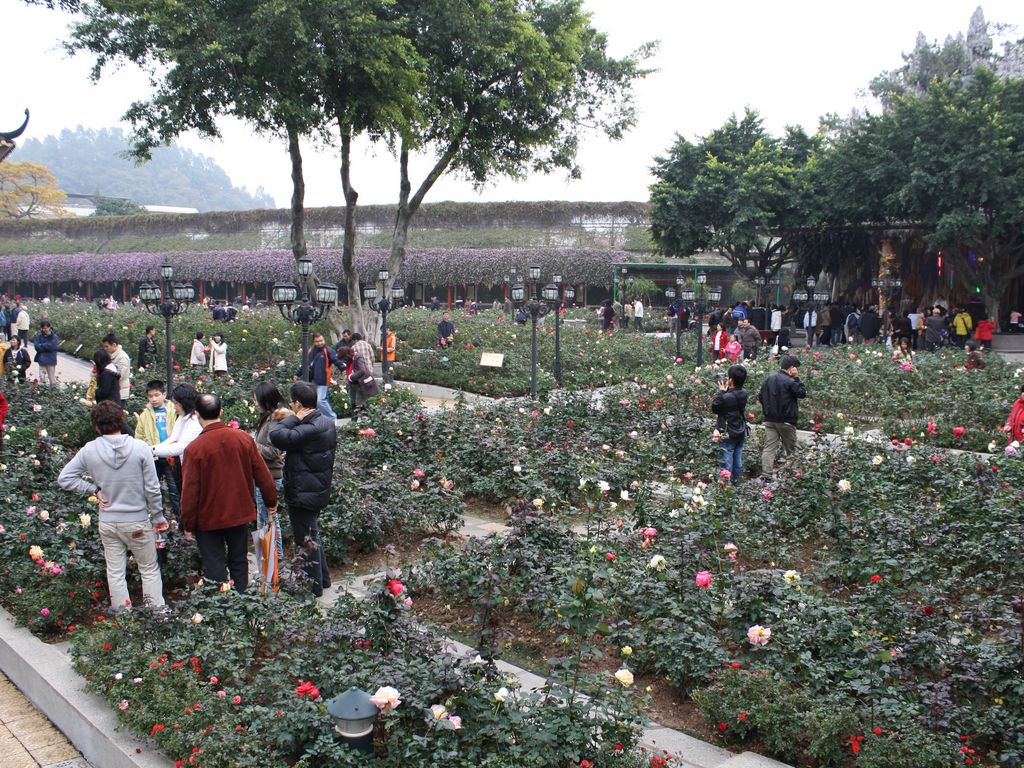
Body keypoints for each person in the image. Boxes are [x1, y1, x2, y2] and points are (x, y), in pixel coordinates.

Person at [57, 400, 166, 610]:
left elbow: (65, 478)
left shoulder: (89, 450)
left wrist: (93, 489)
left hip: (108, 521)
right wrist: (158, 517)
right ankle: (157, 615)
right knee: (149, 569)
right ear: (121, 420)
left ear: (96, 425)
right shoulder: (140, 448)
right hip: (137, 521)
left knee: (115, 572)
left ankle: (123, 618)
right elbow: (153, 489)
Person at [180, 393, 277, 592]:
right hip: (238, 512)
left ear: (197, 414)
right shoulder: (242, 439)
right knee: (239, 560)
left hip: (207, 518)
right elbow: (263, 474)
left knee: (214, 565)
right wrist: (271, 502)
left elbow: (190, 491)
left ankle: (220, 605)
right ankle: (242, 601)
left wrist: (188, 523)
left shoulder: (194, 449)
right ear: (221, 412)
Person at [270, 382, 339, 598]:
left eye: (292, 403)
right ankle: (323, 579)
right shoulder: (325, 421)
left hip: (303, 492)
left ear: (298, 404)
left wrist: (293, 418)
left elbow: (276, 435)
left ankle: (313, 587)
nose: (291, 406)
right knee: (312, 535)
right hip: (316, 489)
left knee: (306, 540)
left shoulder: (308, 428)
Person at [252, 382, 288, 566]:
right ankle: (268, 562)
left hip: (270, 477)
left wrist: (251, 444)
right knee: (265, 519)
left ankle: (274, 562)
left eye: (256, 399)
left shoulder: (275, 421)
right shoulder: (268, 418)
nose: (254, 403)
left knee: (269, 521)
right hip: (264, 475)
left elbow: (273, 451)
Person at [135, 380, 179, 522]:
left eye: (156, 395)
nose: (153, 399)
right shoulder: (145, 415)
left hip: (171, 456)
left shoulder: (173, 411)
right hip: (153, 457)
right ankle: (159, 518)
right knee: (154, 489)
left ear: (164, 394)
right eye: (150, 396)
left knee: (175, 489)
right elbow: (139, 436)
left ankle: (180, 519)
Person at [758, 355, 806, 477]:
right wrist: (797, 378)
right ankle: (792, 476)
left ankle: (766, 475)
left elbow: (761, 397)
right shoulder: (790, 381)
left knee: (769, 448)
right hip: (787, 421)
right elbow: (802, 393)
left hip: (770, 420)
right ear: (792, 368)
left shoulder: (769, 379)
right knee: (792, 451)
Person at [152, 382, 204, 482]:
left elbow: (180, 448)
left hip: (196, 470)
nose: (174, 406)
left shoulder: (195, 421)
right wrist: (152, 449)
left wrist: (152, 451)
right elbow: (173, 439)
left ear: (184, 403)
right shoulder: (182, 416)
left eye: (176, 403)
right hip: (185, 466)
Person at [712, 364, 749, 484]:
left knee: (726, 462)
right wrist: (726, 391)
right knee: (738, 461)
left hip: (728, 432)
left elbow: (715, 407)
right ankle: (738, 484)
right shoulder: (744, 393)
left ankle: (726, 486)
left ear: (731, 380)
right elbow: (732, 399)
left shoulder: (726, 396)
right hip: (740, 430)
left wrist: (721, 392)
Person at [304, 332, 343, 420]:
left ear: (324, 339)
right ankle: (322, 419)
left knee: (320, 400)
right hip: (311, 380)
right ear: (314, 342)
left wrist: (343, 368)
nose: (320, 343)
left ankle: (332, 418)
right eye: (317, 341)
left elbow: (335, 360)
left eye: (321, 340)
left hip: (323, 379)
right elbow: (305, 363)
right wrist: (297, 374)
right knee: (314, 401)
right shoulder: (311, 351)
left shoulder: (328, 350)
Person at [338, 346, 380, 420]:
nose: (344, 361)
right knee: (354, 404)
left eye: (344, 359)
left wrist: (351, 377)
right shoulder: (350, 359)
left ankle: (370, 420)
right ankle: (353, 423)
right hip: (353, 384)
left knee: (359, 405)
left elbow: (362, 370)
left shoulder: (358, 357)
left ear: (347, 356)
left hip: (362, 385)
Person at [102, 333, 132, 403]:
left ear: (114, 345)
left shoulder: (123, 358)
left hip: (119, 394)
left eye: (107, 346)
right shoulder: (110, 354)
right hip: (111, 392)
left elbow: (119, 376)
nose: (105, 349)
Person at [32, 320, 59, 385]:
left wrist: (42, 345)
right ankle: (43, 390)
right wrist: (45, 346)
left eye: (46, 328)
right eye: (43, 328)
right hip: (42, 360)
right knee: (42, 378)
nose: (45, 330)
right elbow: (37, 347)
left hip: (51, 360)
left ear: (49, 327)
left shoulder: (54, 337)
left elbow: (52, 346)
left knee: (51, 378)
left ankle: (53, 390)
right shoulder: (38, 336)